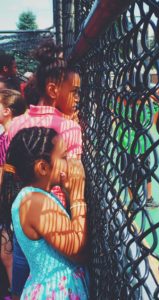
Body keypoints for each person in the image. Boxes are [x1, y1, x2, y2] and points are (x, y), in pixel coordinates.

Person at [7, 39, 83, 298]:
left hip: (22, 222)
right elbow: (73, 175)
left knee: (23, 272)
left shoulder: (15, 124)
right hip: (62, 223)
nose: (78, 99)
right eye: (74, 92)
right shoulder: (69, 129)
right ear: (53, 89)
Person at [2, 126, 89, 299]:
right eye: (63, 157)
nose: (69, 161)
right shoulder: (34, 201)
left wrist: (67, 192)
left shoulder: (37, 197)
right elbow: (76, 251)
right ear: (43, 167)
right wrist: (78, 194)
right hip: (53, 292)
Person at [0, 89, 26, 295]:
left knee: (11, 249)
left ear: (7, 111)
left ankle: (17, 292)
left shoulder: (15, 136)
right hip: (9, 197)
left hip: (14, 196)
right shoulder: (6, 136)